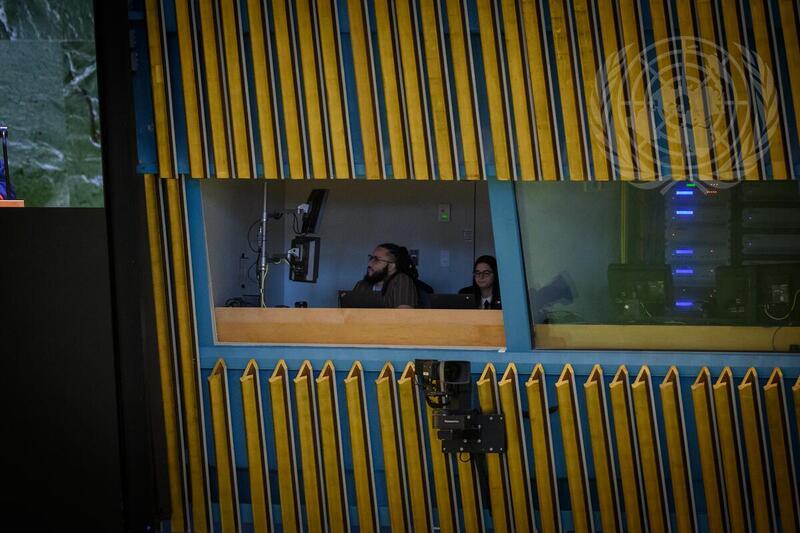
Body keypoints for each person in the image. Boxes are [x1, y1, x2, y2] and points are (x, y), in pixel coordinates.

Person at [353, 243, 420, 308]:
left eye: (377, 259)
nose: (369, 264)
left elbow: (404, 317)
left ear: (391, 266)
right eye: (371, 258)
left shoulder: (402, 281)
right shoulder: (361, 285)